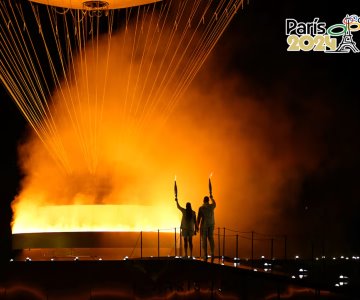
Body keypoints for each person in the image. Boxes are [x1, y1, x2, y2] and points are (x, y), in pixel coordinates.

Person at [196, 195, 216, 262]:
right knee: (211, 238)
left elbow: (198, 218)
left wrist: (197, 227)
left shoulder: (201, 208)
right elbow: (215, 203)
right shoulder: (211, 206)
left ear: (203, 200)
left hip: (204, 225)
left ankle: (205, 254)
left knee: (204, 239)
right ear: (208, 200)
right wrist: (212, 198)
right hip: (211, 224)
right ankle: (212, 253)